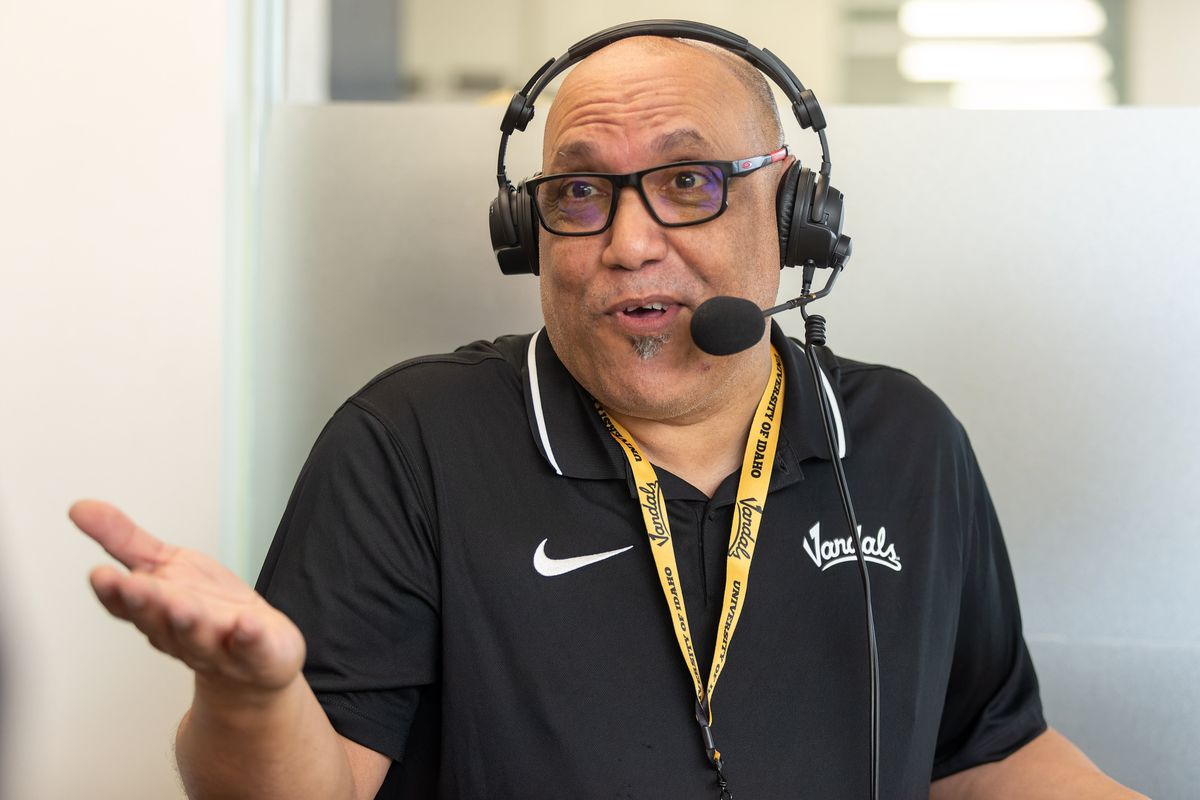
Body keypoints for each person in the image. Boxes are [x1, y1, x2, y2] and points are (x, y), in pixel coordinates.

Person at [72, 25, 1146, 800]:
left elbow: (988, 749)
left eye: (688, 182)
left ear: (799, 213)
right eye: (580, 194)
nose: (628, 243)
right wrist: (251, 696)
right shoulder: (410, 443)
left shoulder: (904, 440)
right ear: (526, 231)